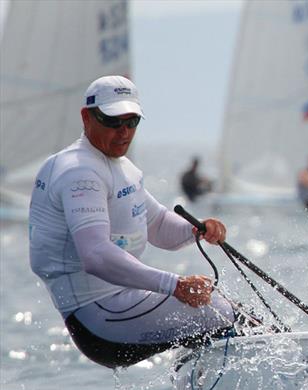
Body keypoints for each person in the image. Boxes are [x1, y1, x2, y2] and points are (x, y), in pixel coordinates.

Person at [28, 75, 236, 369]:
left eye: (131, 122)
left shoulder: (120, 167)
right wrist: (174, 285)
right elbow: (96, 255)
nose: (123, 132)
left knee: (224, 308)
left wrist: (197, 230)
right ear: (87, 117)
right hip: (97, 318)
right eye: (113, 121)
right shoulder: (79, 172)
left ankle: (213, 387)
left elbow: (160, 226)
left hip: (121, 304)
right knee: (220, 311)